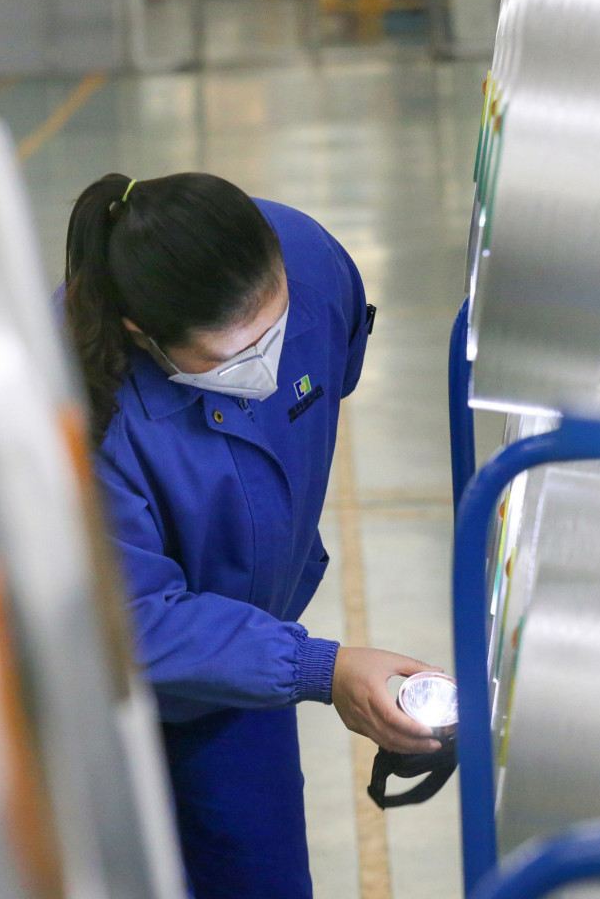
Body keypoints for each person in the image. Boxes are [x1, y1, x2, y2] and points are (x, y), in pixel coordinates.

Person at [62, 172, 442, 899]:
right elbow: (133, 619)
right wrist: (319, 669)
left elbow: (337, 364)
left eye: (275, 330)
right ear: (143, 335)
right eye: (231, 360)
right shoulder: (80, 410)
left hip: (238, 665)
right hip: (99, 696)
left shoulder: (310, 259)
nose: (265, 367)